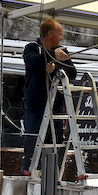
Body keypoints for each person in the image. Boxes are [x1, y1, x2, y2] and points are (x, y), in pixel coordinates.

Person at [21, 18, 77, 176]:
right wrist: (52, 56)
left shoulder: (61, 50)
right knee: (33, 140)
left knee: (54, 142)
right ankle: (28, 169)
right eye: (60, 34)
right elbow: (31, 61)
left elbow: (72, 72)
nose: (61, 38)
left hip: (56, 107)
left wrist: (55, 66)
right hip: (36, 106)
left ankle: (53, 172)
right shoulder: (32, 48)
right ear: (50, 34)